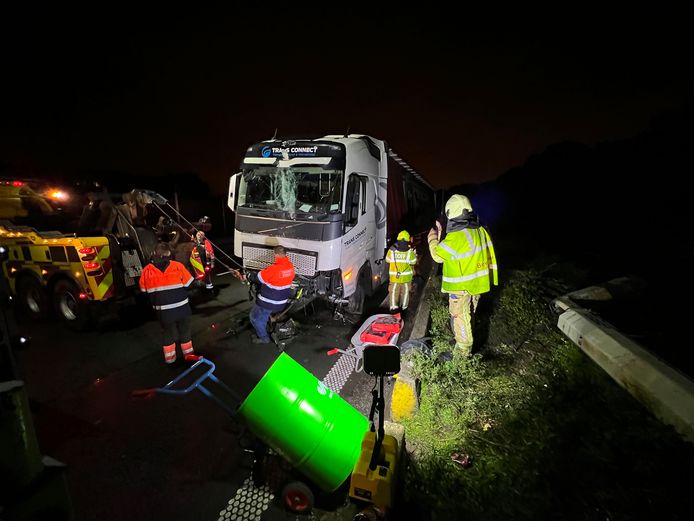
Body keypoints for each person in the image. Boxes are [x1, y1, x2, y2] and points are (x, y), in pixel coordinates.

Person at [428, 195, 498, 357]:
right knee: (469, 314)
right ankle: (464, 339)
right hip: (477, 284)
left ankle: (462, 351)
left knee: (460, 315)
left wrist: (432, 238)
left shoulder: (456, 237)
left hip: (461, 287)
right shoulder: (479, 230)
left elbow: (438, 255)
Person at [139, 242, 196, 364]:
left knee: (168, 333)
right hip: (182, 308)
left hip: (163, 312)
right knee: (185, 331)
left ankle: (170, 359)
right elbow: (189, 284)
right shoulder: (177, 266)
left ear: (154, 253)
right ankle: (189, 355)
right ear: (169, 254)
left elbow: (144, 291)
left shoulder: (147, 271)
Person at [243, 245, 295, 344]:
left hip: (269, 301)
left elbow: (258, 278)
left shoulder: (274, 269)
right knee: (260, 316)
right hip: (282, 301)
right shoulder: (290, 267)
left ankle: (264, 338)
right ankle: (265, 328)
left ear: (275, 255)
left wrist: (248, 275)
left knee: (255, 318)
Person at [386, 230, 417, 312]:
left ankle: (393, 309)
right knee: (405, 292)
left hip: (395, 277)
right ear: (407, 240)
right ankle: (404, 308)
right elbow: (413, 262)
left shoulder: (392, 250)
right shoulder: (409, 252)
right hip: (406, 278)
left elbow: (387, 260)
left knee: (393, 292)